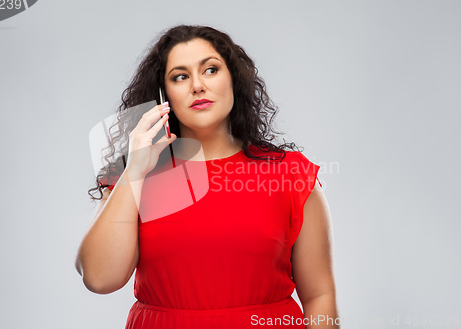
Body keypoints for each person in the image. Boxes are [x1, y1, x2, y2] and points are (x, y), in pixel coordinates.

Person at [75, 24, 339, 329]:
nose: (197, 86)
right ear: (163, 95)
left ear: (234, 80)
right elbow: (99, 278)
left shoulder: (291, 174)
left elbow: (320, 294)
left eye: (210, 70)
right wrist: (134, 169)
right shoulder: (134, 176)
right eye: (180, 76)